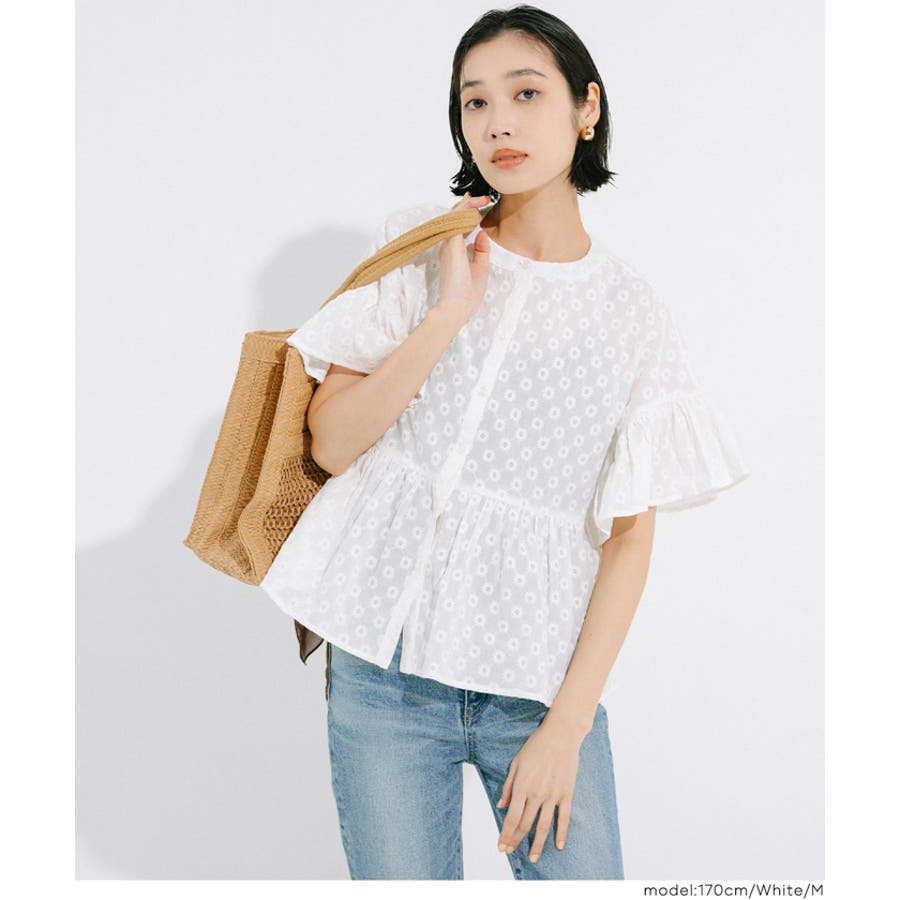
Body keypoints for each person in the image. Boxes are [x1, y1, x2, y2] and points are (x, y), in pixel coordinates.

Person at [259, 4, 750, 880]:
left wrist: (567, 727)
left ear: (586, 107)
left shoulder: (633, 314)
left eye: (526, 94)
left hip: (536, 690)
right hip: (381, 674)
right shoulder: (422, 247)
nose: (498, 123)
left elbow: (629, 540)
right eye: (475, 102)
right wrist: (448, 313)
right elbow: (331, 444)